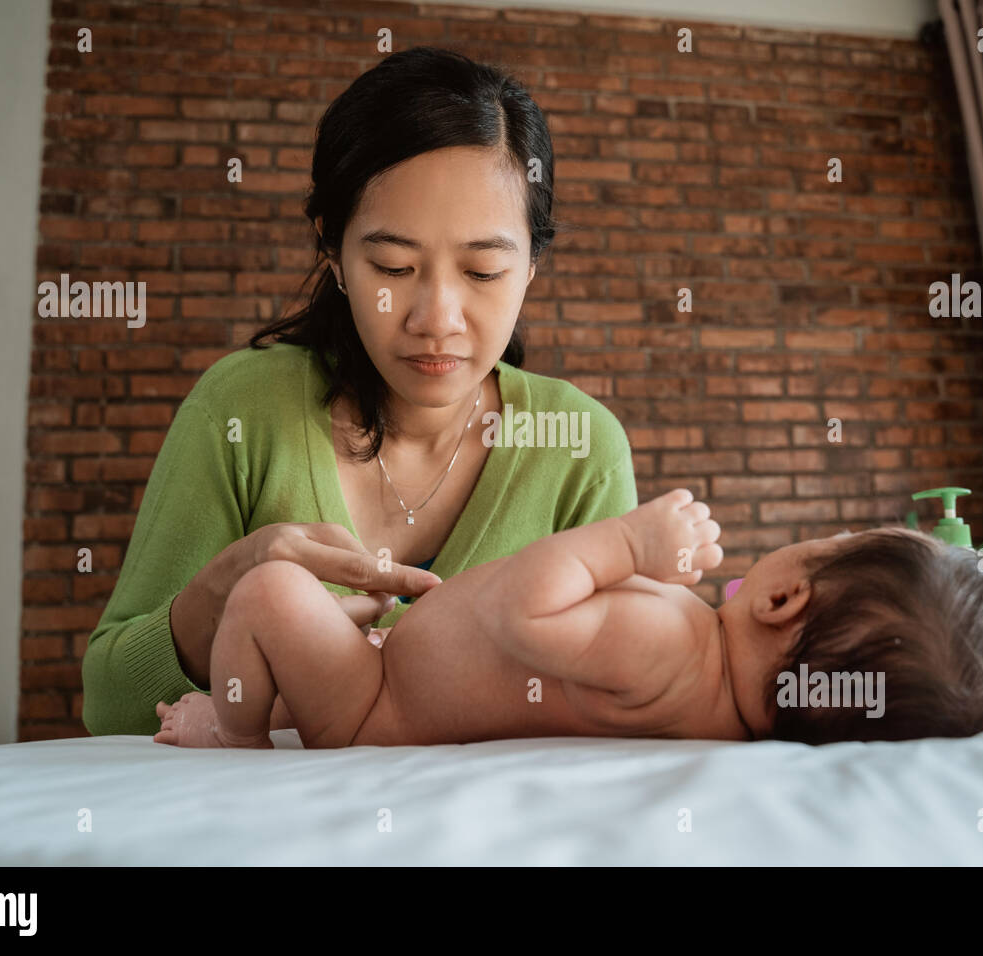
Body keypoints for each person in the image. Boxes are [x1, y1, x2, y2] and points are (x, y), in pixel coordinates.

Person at [82, 47, 637, 736]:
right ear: (334, 255)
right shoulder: (241, 411)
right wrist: (218, 598)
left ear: (533, 267)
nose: (437, 318)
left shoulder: (582, 450)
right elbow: (109, 708)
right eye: (393, 265)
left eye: (485, 271)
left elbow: (621, 708)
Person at [153, 488, 983, 749]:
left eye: (833, 538)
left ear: (786, 597)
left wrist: (629, 544)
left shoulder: (672, 644)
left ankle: (232, 729)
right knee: (298, 613)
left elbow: (525, 613)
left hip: (372, 701)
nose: (820, 535)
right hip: (394, 665)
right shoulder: (706, 690)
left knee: (271, 591)